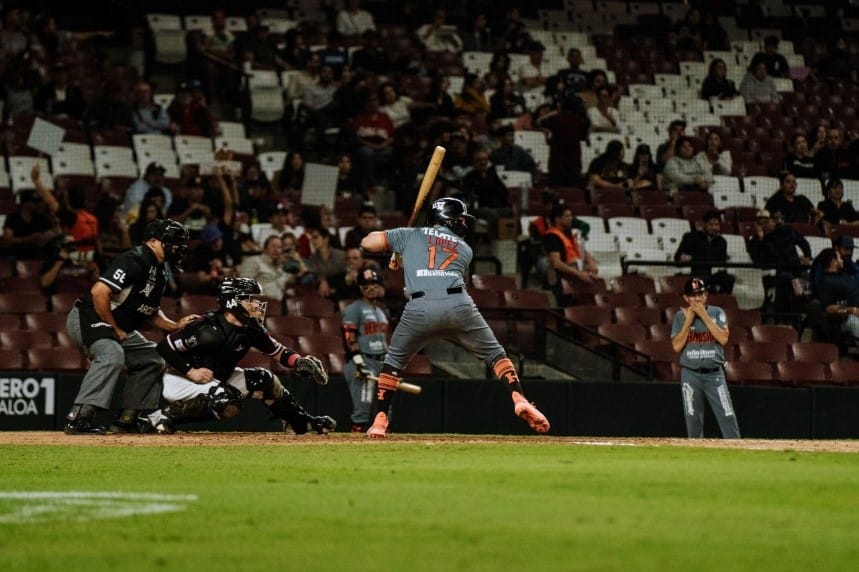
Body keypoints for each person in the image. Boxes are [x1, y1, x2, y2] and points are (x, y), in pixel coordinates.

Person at [359, 197, 550, 438]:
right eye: (460, 219)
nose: (463, 224)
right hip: (459, 304)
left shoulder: (410, 234)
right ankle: (518, 397)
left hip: (420, 307)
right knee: (495, 354)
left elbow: (368, 242)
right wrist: (402, 249)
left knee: (393, 362)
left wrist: (396, 245)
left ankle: (380, 418)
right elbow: (436, 259)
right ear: (448, 219)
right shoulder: (464, 248)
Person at [145, 277, 335, 434]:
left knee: (264, 379)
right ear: (233, 301)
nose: (257, 304)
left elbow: (278, 353)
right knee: (226, 402)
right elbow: (165, 348)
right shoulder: (206, 329)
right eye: (250, 299)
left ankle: (299, 423)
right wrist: (190, 371)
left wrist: (299, 361)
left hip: (217, 379)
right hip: (182, 380)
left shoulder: (252, 329)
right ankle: (163, 416)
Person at [63, 219, 198, 435]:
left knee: (152, 359)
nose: (177, 247)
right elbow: (99, 292)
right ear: (153, 241)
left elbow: (150, 311)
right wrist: (115, 329)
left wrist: (174, 325)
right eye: (173, 242)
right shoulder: (134, 258)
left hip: (115, 326)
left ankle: (127, 420)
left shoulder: (160, 272)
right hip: (88, 316)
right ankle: (79, 417)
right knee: (112, 354)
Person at [671, 277, 741, 439]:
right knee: (692, 418)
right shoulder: (680, 317)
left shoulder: (717, 312)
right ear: (686, 298)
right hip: (690, 374)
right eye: (692, 295)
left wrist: (704, 316)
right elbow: (676, 346)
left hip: (714, 374)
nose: (696, 298)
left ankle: (737, 451)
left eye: (699, 294)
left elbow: (723, 339)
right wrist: (688, 321)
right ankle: (695, 457)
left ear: (706, 295)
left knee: (727, 414)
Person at [341, 267, 389, 432]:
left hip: (380, 361)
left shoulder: (381, 310)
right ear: (360, 288)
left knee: (384, 408)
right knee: (363, 406)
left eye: (375, 284)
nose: (372, 288)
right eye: (367, 284)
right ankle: (356, 444)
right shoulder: (355, 309)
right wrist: (360, 363)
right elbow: (349, 338)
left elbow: (382, 339)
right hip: (362, 361)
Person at [542, 203, 598, 301]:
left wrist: (590, 262)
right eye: (567, 216)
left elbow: (580, 249)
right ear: (557, 219)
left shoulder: (569, 233)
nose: (571, 218)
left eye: (571, 215)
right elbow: (557, 264)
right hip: (563, 279)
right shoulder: (551, 236)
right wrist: (579, 274)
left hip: (577, 273)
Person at [674, 210, 734, 294]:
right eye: (711, 224)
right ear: (704, 224)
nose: (714, 228)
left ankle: (722, 302)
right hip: (695, 273)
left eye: (717, 225)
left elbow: (721, 262)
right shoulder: (691, 237)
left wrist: (694, 257)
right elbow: (678, 258)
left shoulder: (722, 242)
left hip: (712, 275)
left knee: (729, 279)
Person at [238, 235, 289, 300]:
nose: (276, 250)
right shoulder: (255, 260)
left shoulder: (280, 266)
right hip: (260, 304)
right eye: (273, 246)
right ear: (265, 248)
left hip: (278, 304)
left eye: (279, 247)